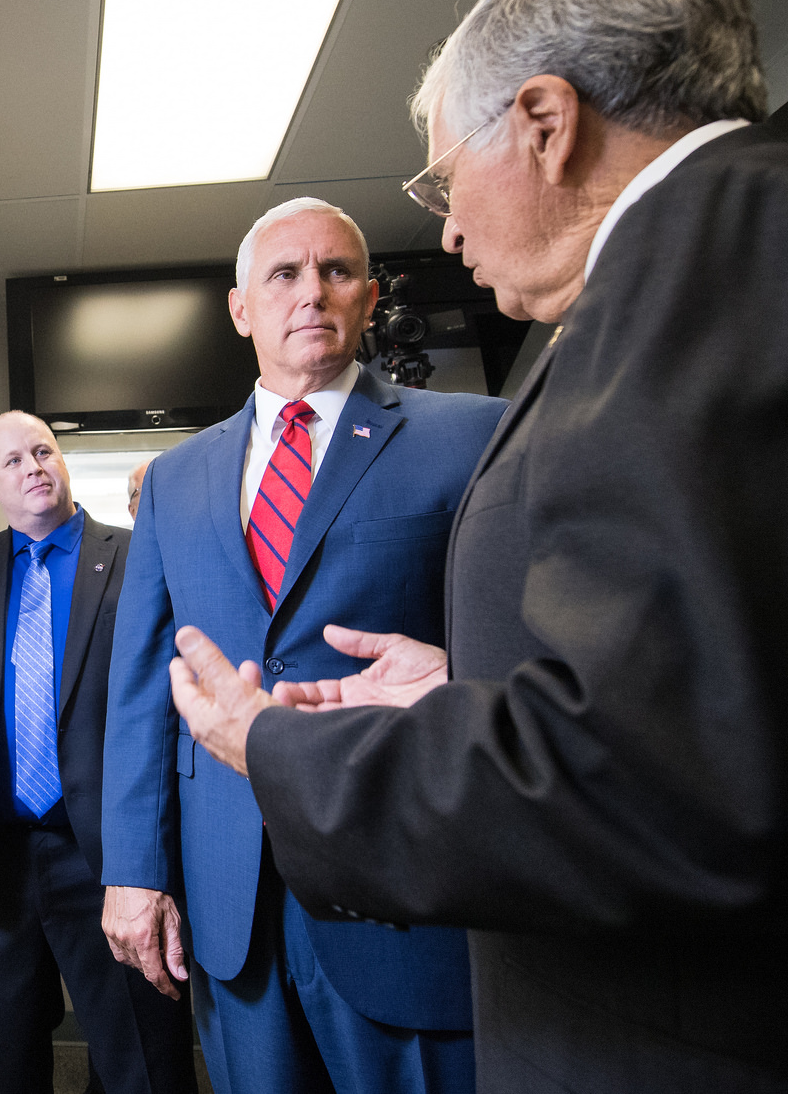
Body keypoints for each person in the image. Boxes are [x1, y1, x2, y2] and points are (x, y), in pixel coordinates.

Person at [166, 0, 788, 1093]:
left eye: (440, 175)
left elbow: (668, 779)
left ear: (543, 121)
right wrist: (466, 688)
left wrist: (276, 744)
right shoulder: (723, 258)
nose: (444, 225)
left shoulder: (732, 252)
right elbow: (739, 684)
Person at [100, 199, 503, 1094]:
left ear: (368, 298)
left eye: (337, 271)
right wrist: (133, 869)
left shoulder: (473, 436)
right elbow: (139, 687)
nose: (310, 292)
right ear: (241, 308)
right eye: (283, 274)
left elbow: (522, 643)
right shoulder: (176, 479)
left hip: (399, 883)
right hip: (231, 898)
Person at [0, 411, 195, 1094]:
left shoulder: (137, 554)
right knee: (2, 1072)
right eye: (13, 461)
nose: (32, 466)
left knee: (145, 1068)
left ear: (61, 462)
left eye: (42, 450)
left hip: (111, 861)